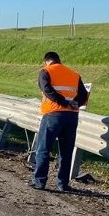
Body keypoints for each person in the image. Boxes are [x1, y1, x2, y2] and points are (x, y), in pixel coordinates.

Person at [30, 51, 89, 192]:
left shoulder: (45, 71)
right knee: (66, 151)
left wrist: (62, 102)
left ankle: (39, 181)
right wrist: (75, 103)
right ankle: (62, 184)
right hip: (71, 116)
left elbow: (47, 90)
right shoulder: (74, 74)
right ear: (59, 60)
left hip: (53, 114)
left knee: (43, 148)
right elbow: (83, 94)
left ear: (47, 61)